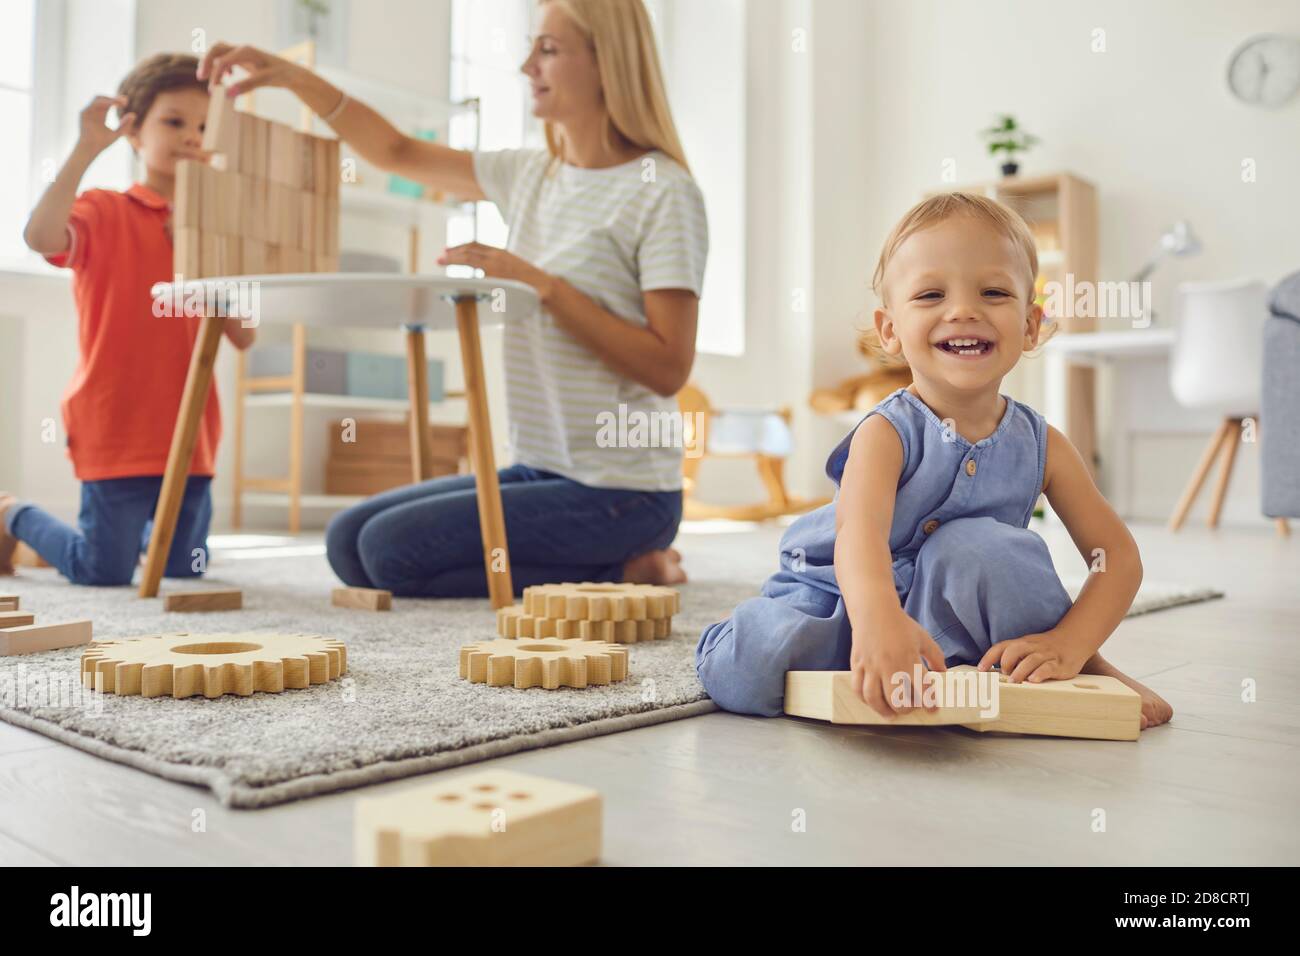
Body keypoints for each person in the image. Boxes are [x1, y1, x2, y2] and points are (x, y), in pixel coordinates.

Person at [696, 192, 1173, 730]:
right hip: (845, 594)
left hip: (948, 604)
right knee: (751, 669)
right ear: (891, 330)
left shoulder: (1044, 445)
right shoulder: (885, 432)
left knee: (988, 550)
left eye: (993, 292)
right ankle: (735, 629)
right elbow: (860, 537)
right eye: (930, 294)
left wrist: (1070, 642)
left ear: (1031, 324)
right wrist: (877, 624)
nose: (963, 310)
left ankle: (1085, 666)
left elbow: (1117, 557)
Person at [0, 53, 256, 583]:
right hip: (116, 424)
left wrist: (217, 250)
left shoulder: (217, 235)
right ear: (134, 133)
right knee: (102, 572)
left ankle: (140, 534)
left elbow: (245, 335)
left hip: (191, 432)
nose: (192, 136)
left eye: (206, 126)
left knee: (187, 571)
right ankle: (11, 513)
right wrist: (87, 148)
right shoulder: (104, 209)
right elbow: (40, 238)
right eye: (175, 121)